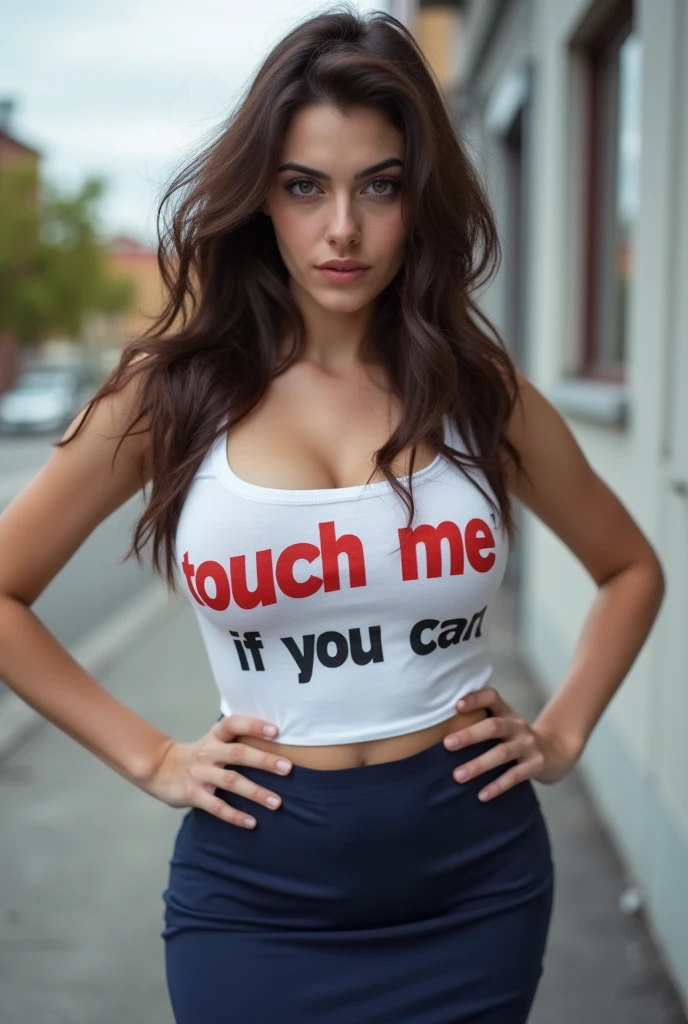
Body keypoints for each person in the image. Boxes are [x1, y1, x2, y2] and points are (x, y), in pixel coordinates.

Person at [0, 6, 665, 1023]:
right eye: (305, 186)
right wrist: (155, 757)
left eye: (379, 186)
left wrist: (564, 732)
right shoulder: (172, 393)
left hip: (474, 882)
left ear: (418, 198)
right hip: (254, 901)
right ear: (262, 197)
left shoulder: (478, 390)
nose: (341, 228)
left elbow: (629, 568)